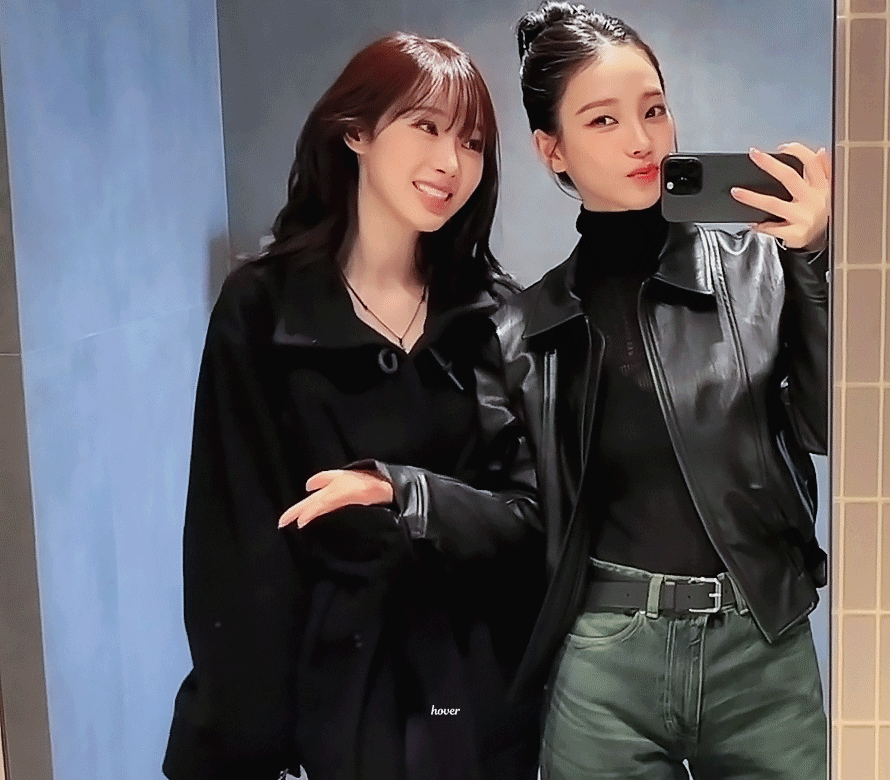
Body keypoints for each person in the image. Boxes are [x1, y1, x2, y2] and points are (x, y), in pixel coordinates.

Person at [161, 32, 544, 780]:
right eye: (426, 127)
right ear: (357, 132)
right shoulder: (262, 306)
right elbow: (234, 541)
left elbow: (534, 518)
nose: (451, 162)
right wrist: (255, 740)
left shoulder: (497, 313)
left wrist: (403, 494)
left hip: (471, 695)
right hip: (324, 700)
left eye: (471, 143)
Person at [486, 3, 826, 778]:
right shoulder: (528, 325)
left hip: (761, 650)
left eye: (654, 109)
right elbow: (516, 511)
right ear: (552, 149)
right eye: (603, 120)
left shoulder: (760, 268)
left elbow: (829, 426)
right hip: (606, 663)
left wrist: (812, 261)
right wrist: (405, 491)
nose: (642, 141)